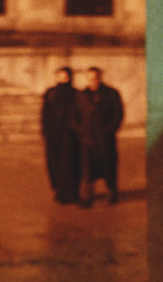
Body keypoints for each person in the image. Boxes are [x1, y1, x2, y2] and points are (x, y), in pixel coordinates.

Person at [71, 67, 124, 206]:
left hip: (106, 137)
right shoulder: (80, 96)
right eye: (90, 78)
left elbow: (118, 114)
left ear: (100, 77)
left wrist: (110, 129)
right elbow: (74, 117)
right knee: (88, 168)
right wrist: (82, 131)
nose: (93, 81)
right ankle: (88, 196)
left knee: (109, 165)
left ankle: (112, 192)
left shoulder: (111, 93)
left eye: (96, 78)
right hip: (87, 139)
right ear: (86, 79)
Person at [41, 67, 81, 204]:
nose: (63, 79)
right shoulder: (51, 93)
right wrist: (45, 130)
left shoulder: (76, 94)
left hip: (70, 135)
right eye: (60, 77)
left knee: (70, 163)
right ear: (56, 77)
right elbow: (45, 113)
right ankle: (59, 190)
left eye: (66, 77)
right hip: (53, 134)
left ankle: (71, 193)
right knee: (55, 163)